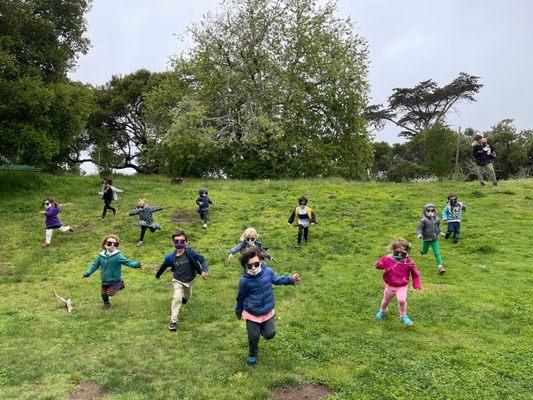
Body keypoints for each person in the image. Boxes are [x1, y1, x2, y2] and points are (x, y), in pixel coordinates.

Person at [235, 247, 301, 366]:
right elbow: (240, 298)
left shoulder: (268, 272)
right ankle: (252, 353)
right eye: (249, 266)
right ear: (245, 266)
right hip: (252, 313)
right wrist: (238, 312)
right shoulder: (244, 281)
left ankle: (261, 328)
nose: (253, 268)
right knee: (253, 337)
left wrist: (291, 279)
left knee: (270, 334)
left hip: (267, 310)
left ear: (260, 260)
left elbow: (277, 280)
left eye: (256, 264)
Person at [155, 231, 208, 331]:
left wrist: (204, 270)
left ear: (186, 242)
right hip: (177, 280)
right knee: (176, 298)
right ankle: (173, 322)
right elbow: (163, 266)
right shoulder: (170, 257)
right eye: (176, 241)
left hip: (190, 280)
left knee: (187, 296)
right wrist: (157, 275)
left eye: (182, 241)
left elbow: (202, 260)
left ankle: (184, 298)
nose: (179, 243)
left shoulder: (191, 252)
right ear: (173, 242)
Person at [82, 235, 141, 310]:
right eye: (110, 243)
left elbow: (128, 262)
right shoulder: (101, 256)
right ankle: (106, 303)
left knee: (110, 293)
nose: (112, 245)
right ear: (104, 245)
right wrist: (87, 273)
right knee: (103, 294)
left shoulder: (118, 256)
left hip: (115, 280)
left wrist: (137, 265)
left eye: (115, 244)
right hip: (104, 279)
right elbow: (94, 265)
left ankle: (120, 285)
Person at [374, 238, 421, 327]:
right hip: (390, 285)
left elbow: (415, 274)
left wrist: (416, 284)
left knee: (402, 300)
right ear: (393, 250)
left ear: (407, 252)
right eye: (397, 252)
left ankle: (403, 316)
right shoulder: (388, 258)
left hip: (401, 286)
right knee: (385, 301)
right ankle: (382, 311)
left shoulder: (409, 262)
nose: (399, 255)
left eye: (402, 253)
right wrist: (378, 265)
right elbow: (381, 264)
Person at [417, 203, 446, 274]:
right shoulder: (423, 220)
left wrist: (440, 232)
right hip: (426, 239)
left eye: (432, 211)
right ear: (425, 212)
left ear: (435, 211)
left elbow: (437, 228)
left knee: (437, 253)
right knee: (425, 251)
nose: (431, 212)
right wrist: (419, 234)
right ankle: (422, 252)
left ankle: (440, 267)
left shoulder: (437, 219)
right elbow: (420, 228)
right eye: (428, 211)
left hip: (434, 239)